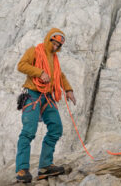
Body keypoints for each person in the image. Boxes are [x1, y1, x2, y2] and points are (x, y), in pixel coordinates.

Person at [15, 28, 76, 183]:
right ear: (49, 39)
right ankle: (22, 170)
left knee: (56, 128)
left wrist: (68, 90)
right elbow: (21, 65)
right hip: (33, 95)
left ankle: (45, 166)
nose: (55, 47)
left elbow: (59, 75)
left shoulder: (55, 58)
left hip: (48, 97)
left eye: (58, 45)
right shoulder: (34, 51)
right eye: (54, 43)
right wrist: (40, 72)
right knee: (28, 131)